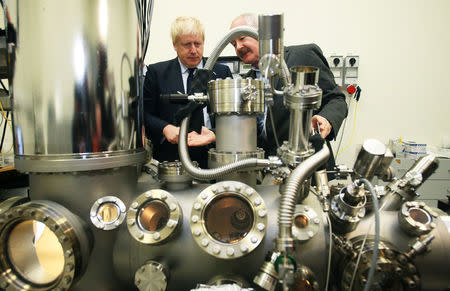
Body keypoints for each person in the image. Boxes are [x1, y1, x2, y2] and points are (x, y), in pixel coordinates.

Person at [230, 13, 348, 173]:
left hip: (308, 166)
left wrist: (326, 118)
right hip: (268, 169)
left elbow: (336, 98)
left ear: (261, 34)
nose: (238, 47)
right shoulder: (247, 82)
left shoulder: (303, 56)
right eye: (233, 44)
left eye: (242, 38)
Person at [144, 16, 232, 168]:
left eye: (197, 44)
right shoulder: (156, 72)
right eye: (186, 44)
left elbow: (232, 116)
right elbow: (145, 113)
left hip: (215, 157)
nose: (193, 50)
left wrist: (215, 134)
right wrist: (165, 128)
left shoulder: (222, 72)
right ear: (175, 45)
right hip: (172, 159)